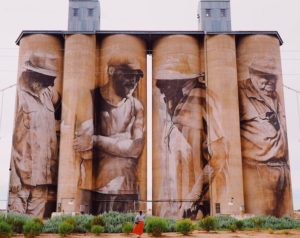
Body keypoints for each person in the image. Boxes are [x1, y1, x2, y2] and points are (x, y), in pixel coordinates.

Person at [155, 57, 227, 218]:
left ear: (180, 82)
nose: (161, 90)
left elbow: (219, 156)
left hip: (197, 205)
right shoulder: (173, 105)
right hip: (177, 204)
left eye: (165, 83)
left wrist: (193, 198)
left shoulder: (202, 97)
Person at [74, 57, 145, 213]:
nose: (133, 81)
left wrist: (97, 140)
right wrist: (121, 142)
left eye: (136, 77)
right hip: (96, 189)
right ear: (111, 71)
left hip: (128, 189)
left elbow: (135, 149)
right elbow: (84, 150)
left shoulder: (136, 106)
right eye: (128, 75)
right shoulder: (90, 99)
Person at [239, 56, 292, 217]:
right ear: (252, 74)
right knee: (262, 217)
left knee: (282, 219)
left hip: (282, 168)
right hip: (258, 170)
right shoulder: (240, 93)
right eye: (264, 76)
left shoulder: (275, 96)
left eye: (273, 77)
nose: (271, 81)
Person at [8, 54, 60, 218]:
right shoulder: (21, 97)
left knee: (34, 225)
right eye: (44, 79)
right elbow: (15, 141)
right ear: (33, 76)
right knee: (17, 224)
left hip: (43, 177)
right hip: (23, 178)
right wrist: (14, 176)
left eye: (49, 81)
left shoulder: (47, 95)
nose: (47, 85)